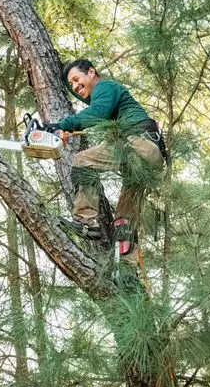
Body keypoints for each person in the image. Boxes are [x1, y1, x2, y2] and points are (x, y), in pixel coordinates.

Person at [46, 58, 165, 263]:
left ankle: (86, 221)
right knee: (123, 220)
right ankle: (128, 264)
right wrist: (67, 131)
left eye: (76, 79)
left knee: (83, 161)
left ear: (91, 72)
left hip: (138, 142)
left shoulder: (105, 87)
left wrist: (61, 125)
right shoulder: (108, 102)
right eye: (71, 85)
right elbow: (97, 116)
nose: (75, 86)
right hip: (149, 155)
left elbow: (96, 112)